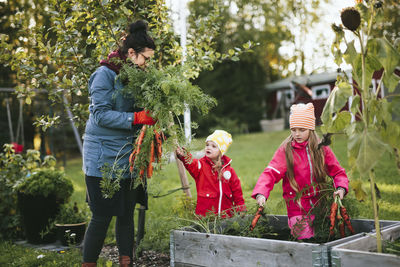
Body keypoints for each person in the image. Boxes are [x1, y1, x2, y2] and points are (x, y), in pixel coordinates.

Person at [81, 20, 156, 267]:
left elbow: (144, 111)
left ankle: (127, 262)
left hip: (128, 155)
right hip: (102, 157)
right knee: (101, 216)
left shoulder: (136, 76)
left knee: (126, 214)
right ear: (131, 53)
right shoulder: (104, 74)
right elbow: (100, 115)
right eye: (146, 58)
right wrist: (135, 118)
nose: (148, 63)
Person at [252, 103, 349, 239]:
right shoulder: (286, 150)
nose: (297, 134)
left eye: (302, 130)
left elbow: (337, 172)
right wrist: (261, 193)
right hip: (297, 208)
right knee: (304, 243)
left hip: (321, 206)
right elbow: (270, 172)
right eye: (293, 129)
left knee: (325, 238)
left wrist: (341, 187)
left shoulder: (321, 148)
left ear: (310, 129)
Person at [176, 130, 246, 218]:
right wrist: (184, 156)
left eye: (213, 146)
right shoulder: (201, 166)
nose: (208, 148)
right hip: (206, 217)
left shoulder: (229, 171)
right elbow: (192, 164)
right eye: (207, 145)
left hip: (226, 217)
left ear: (221, 151)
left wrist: (240, 208)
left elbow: (237, 192)